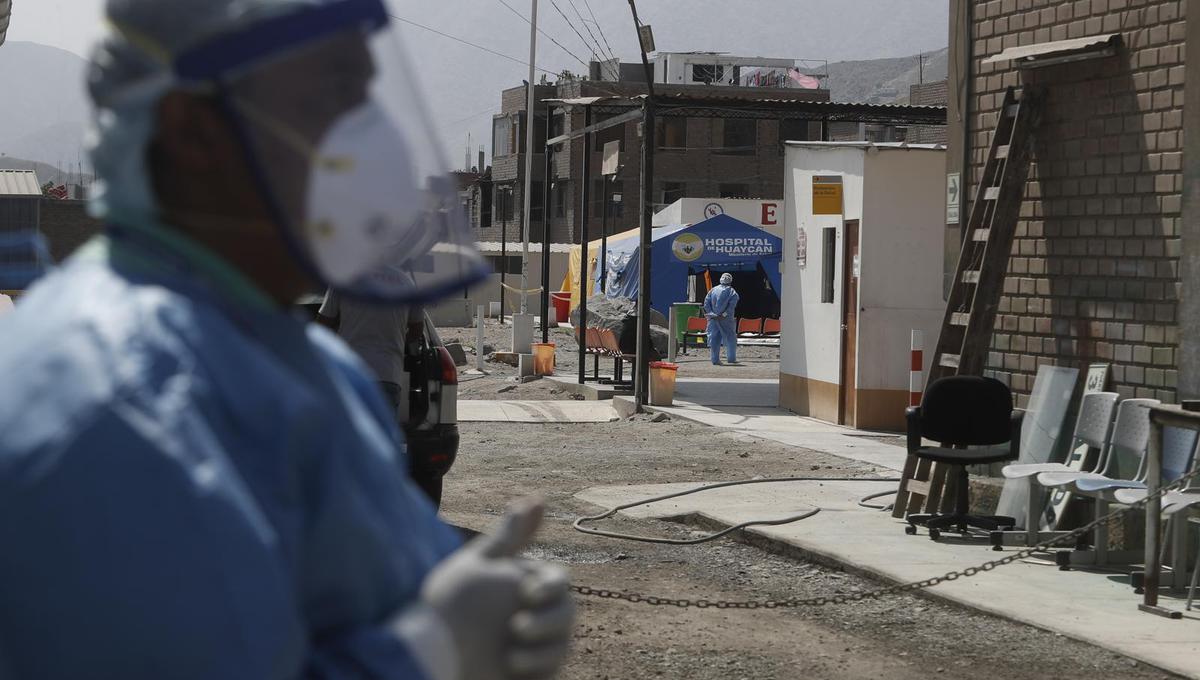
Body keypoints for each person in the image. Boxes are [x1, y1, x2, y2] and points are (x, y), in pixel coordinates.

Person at [0, 2, 573, 679]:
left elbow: (373, 579)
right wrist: (432, 652)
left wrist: (471, 599)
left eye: (371, 99)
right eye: (333, 100)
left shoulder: (311, 366)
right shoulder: (110, 406)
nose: (373, 144)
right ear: (193, 133)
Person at [703, 272, 740, 365]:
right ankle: (731, 358)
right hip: (726, 320)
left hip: (713, 319)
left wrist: (712, 314)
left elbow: (706, 303)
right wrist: (722, 316)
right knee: (731, 338)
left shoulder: (713, 290)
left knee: (714, 339)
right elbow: (730, 308)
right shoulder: (732, 292)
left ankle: (715, 360)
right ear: (730, 281)